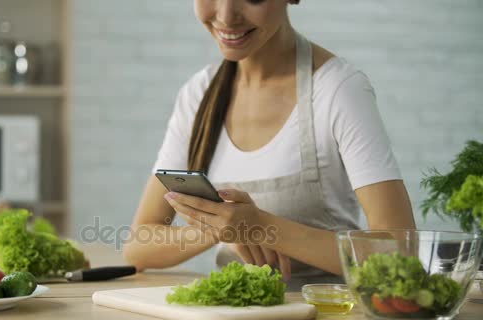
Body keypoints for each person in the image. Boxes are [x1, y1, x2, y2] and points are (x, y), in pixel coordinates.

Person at [123, 0, 416, 290]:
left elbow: (400, 253)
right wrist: (223, 226)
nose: (226, 16)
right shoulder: (199, 96)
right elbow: (138, 245)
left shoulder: (338, 90)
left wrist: (261, 227)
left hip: (326, 319)